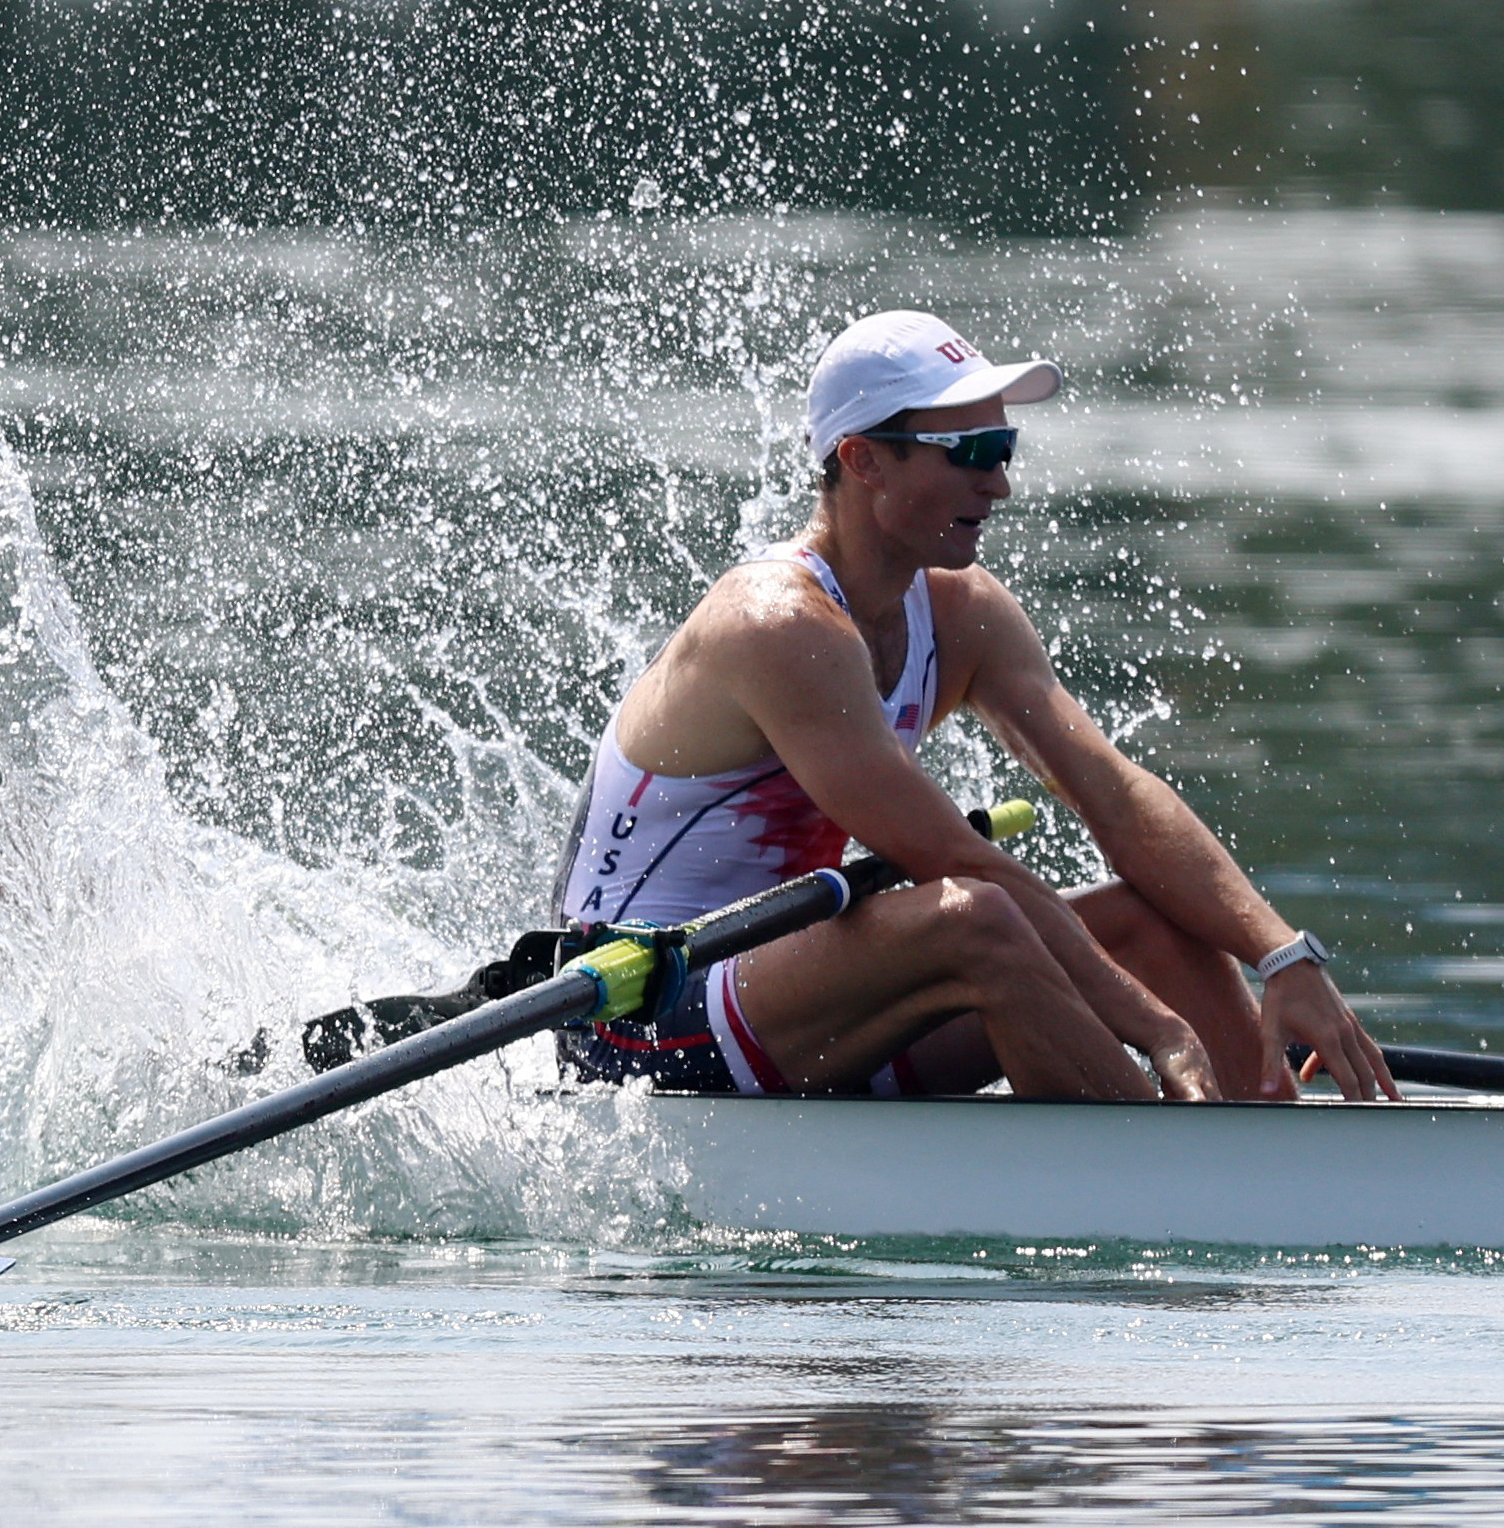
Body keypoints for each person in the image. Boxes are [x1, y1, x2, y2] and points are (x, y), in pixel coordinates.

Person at [553, 308, 1392, 1105]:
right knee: (974, 918)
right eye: (970, 450)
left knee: (1146, 924)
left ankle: (1258, 1134)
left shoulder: (960, 614)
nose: (997, 483)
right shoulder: (777, 625)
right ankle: (1161, 1176)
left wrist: (1281, 955)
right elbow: (958, 863)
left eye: (1005, 447)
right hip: (641, 1012)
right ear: (861, 460)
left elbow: (1114, 794)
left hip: (802, 990)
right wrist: (1155, 1027)